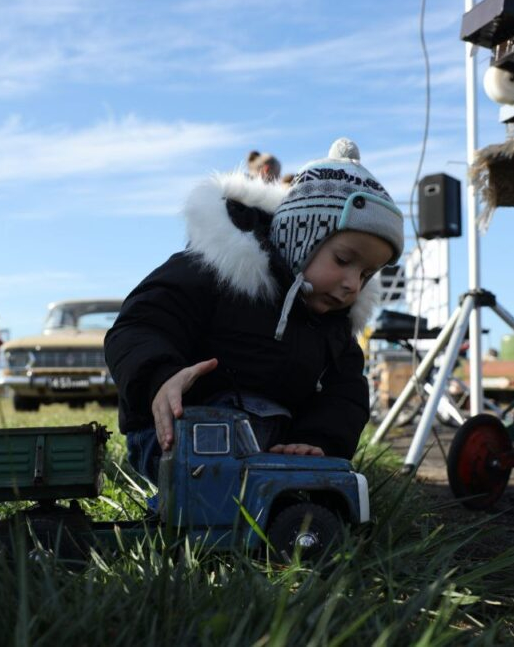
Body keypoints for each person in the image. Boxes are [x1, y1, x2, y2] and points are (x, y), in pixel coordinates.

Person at [105, 138, 404, 483]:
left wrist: (317, 440)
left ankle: (278, 491)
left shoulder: (334, 326)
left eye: (366, 274)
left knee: (290, 453)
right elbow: (141, 323)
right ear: (301, 238)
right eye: (343, 260)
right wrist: (159, 377)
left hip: (276, 441)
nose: (353, 283)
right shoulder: (214, 269)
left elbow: (346, 393)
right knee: (224, 435)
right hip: (174, 430)